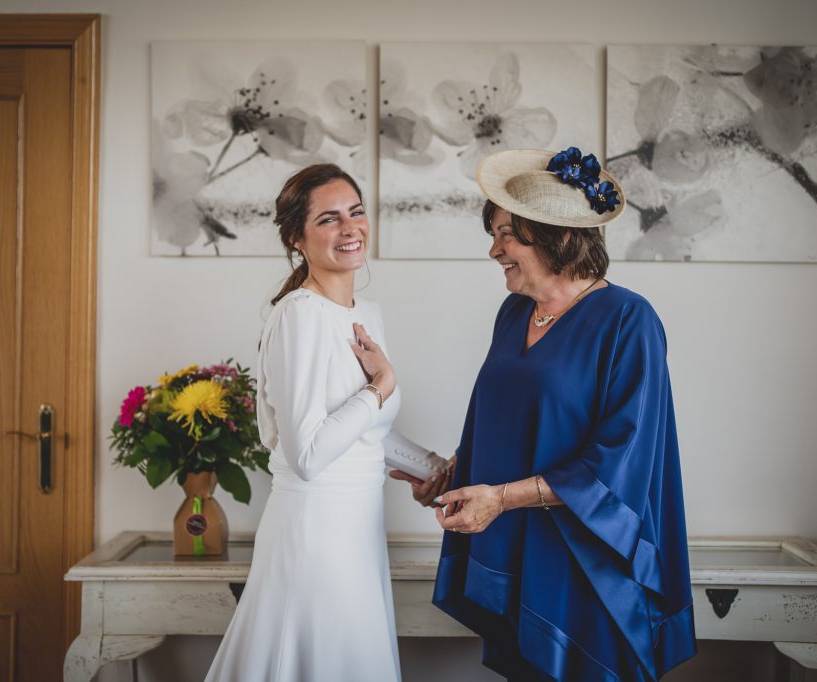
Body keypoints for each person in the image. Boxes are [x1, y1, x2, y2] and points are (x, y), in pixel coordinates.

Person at [396, 147, 697, 681]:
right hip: (515, 542)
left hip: (583, 554)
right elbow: (502, 425)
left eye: (506, 234)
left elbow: (621, 460)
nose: (494, 250)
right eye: (494, 235)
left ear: (555, 236)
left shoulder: (629, 320)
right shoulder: (514, 313)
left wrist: (501, 499)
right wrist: (451, 476)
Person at [205, 164, 402, 682]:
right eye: (329, 219)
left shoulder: (369, 313)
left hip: (361, 528)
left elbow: (365, 432)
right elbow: (309, 455)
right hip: (316, 532)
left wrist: (437, 469)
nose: (350, 228)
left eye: (356, 212)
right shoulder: (298, 315)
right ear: (297, 237)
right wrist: (379, 386)